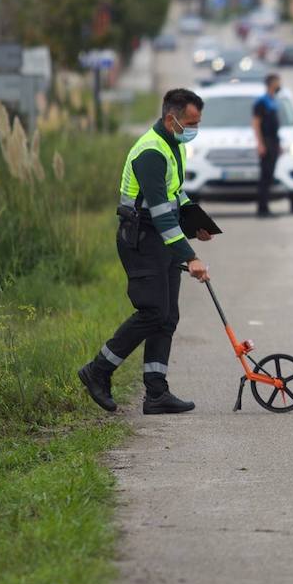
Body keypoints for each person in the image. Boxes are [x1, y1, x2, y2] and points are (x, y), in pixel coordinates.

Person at [78, 89, 212, 415]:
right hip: (140, 239)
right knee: (152, 311)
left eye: (198, 122)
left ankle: (156, 393)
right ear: (171, 118)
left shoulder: (172, 144)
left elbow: (174, 194)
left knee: (167, 316)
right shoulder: (150, 152)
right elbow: (161, 212)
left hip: (158, 238)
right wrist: (189, 256)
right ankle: (97, 370)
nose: (195, 128)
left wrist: (195, 222)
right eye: (191, 122)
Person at [252, 73, 283, 217]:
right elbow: (256, 123)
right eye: (277, 82)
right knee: (265, 176)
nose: (279, 84)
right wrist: (260, 144)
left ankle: (265, 206)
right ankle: (262, 208)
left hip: (274, 141)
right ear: (271, 83)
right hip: (266, 141)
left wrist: (279, 144)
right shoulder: (262, 102)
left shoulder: (273, 100)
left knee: (270, 175)